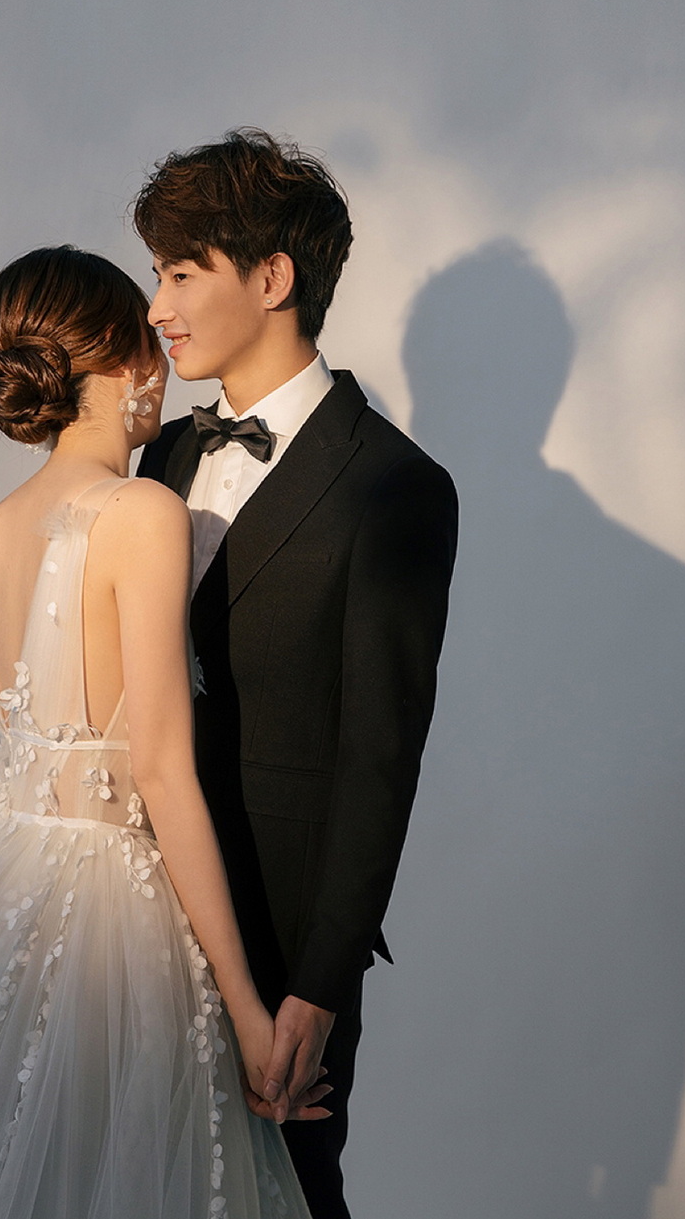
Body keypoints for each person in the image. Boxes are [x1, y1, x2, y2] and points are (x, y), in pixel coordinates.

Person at [0, 245, 321, 1219]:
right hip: (104, 912)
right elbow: (163, 773)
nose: (164, 360)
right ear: (116, 355)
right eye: (148, 333)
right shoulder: (141, 509)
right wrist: (249, 1013)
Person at [134, 128, 458, 1219]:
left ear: (271, 278)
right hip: (136, 911)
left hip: (282, 930)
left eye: (180, 273)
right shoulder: (165, 455)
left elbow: (380, 755)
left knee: (285, 1193)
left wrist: (322, 983)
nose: (157, 307)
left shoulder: (395, 485)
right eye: (156, 274)